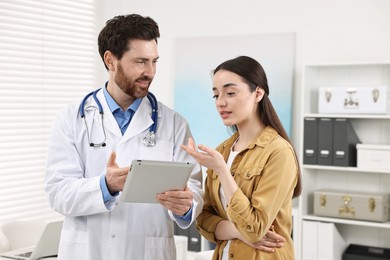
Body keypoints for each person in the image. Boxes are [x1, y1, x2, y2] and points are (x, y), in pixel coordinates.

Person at [44, 14, 203, 260]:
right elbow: (58, 193)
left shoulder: (173, 124)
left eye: (154, 62)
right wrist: (106, 186)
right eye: (140, 62)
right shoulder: (72, 119)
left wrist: (185, 206)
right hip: (88, 251)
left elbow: (192, 186)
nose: (149, 72)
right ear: (110, 60)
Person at [181, 55, 302, 260]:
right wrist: (238, 232)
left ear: (258, 93)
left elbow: (255, 228)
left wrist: (222, 170)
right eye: (216, 95)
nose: (220, 102)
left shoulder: (279, 152)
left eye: (230, 93)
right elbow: (203, 221)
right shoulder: (223, 151)